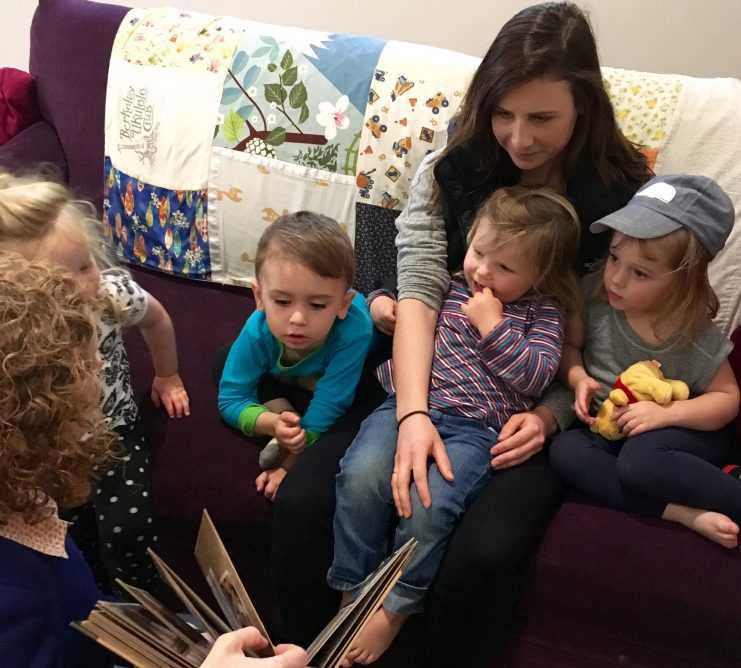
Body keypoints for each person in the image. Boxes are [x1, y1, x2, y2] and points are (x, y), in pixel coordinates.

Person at [271, 3, 651, 664]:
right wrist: (413, 413)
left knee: (482, 552)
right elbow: (418, 287)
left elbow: (595, 336)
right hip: (426, 372)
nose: (518, 138)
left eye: (542, 119)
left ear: (582, 109)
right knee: (310, 500)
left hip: (518, 404)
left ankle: (395, 621)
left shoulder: (618, 195)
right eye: (503, 113)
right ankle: (322, 647)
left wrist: (551, 415)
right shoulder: (457, 163)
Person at [0, 253, 307, 668]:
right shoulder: (17, 596)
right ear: (33, 407)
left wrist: (170, 640)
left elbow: (85, 617)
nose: (100, 363)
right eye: (79, 362)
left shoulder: (25, 498)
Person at [328, 186, 581, 665]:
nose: (483, 271)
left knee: (430, 504)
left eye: (505, 268)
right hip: (407, 406)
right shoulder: (450, 283)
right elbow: (405, 300)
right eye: (479, 252)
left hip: (478, 429)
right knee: (360, 477)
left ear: (541, 274)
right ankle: (352, 589)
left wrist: (493, 326)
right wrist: (381, 305)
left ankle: (397, 606)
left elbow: (535, 375)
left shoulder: (543, 314)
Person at [0, 172, 190, 592]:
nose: (90, 279)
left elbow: (156, 318)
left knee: (126, 533)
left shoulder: (110, 294)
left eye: (89, 261)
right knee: (68, 534)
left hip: (114, 430)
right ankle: (96, 601)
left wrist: (167, 373)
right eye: (69, 275)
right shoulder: (16, 338)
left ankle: (144, 602)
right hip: (49, 446)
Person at [550, 174, 741, 548]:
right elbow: (569, 349)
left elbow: (727, 399)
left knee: (641, 462)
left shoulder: (694, 334)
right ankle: (684, 515)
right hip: (611, 432)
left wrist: (665, 416)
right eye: (615, 258)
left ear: (683, 279)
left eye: (640, 273)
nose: (616, 279)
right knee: (565, 451)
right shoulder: (595, 296)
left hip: (678, 436)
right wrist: (576, 378)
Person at [218, 211, 373, 501]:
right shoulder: (258, 331)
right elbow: (230, 398)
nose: (298, 318)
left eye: (316, 304)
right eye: (282, 301)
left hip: (350, 372)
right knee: (222, 360)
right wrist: (272, 423)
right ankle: (288, 416)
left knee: (358, 405)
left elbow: (331, 403)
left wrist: (289, 464)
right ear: (259, 297)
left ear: (343, 304)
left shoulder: (354, 330)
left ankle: (292, 419)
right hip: (295, 375)